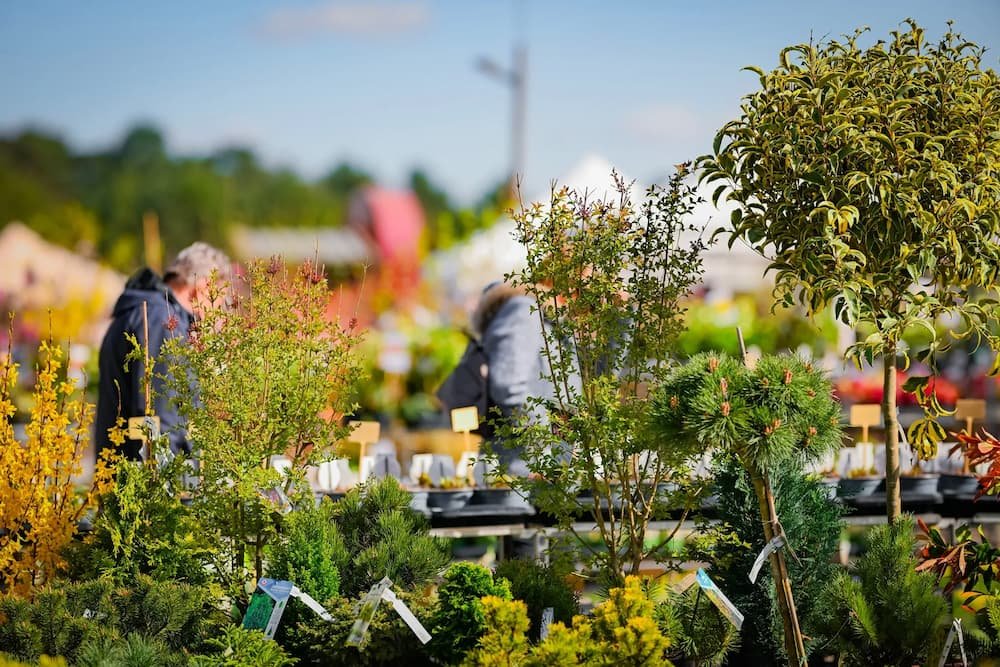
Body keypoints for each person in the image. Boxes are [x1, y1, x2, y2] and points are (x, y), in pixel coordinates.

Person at [95, 242, 231, 461]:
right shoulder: (162, 321)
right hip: (148, 472)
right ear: (203, 287)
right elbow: (156, 412)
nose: (217, 311)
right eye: (219, 299)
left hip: (129, 464)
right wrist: (163, 473)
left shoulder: (148, 312)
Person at [439, 281, 579, 476]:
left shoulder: (549, 320)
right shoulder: (523, 309)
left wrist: (621, 318)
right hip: (524, 471)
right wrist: (547, 436)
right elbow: (508, 386)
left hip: (540, 469)